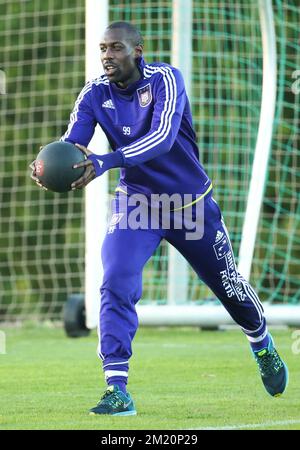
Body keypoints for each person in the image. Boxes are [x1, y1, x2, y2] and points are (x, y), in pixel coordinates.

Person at [31, 21, 288, 416]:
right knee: (115, 280)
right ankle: (117, 390)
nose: (106, 56)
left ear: (137, 50)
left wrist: (107, 161)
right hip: (138, 206)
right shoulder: (94, 92)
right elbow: (73, 142)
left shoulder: (167, 78)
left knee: (229, 287)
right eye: (102, 49)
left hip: (190, 205)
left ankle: (261, 343)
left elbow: (162, 137)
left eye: (115, 48)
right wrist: (51, 164)